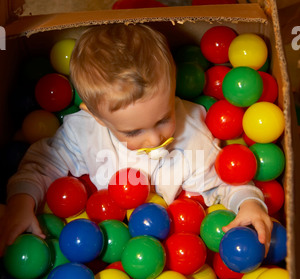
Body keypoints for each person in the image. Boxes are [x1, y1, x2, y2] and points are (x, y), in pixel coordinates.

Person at [0, 24, 273, 256]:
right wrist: (21, 204)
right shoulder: (84, 135)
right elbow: (42, 165)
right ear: (96, 116)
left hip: (167, 235)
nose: (155, 138)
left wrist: (249, 203)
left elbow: (223, 180)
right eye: (132, 132)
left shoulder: (191, 136)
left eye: (163, 118)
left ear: (173, 88)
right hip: (101, 231)